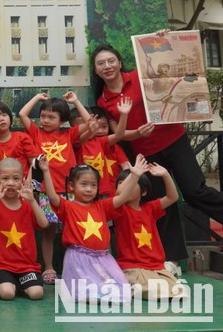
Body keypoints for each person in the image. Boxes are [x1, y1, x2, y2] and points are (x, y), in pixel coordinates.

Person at [92, 43, 223, 266]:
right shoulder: (102, 100)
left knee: (194, 191)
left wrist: (164, 40)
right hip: (146, 152)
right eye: (101, 63)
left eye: (111, 60)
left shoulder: (138, 75)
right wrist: (137, 132)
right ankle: (171, 259)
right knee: (163, 204)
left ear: (120, 62)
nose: (107, 66)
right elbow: (118, 133)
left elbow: (170, 67)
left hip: (174, 139)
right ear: (96, 70)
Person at [41, 155, 147, 303]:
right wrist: (46, 171)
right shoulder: (68, 206)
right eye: (83, 184)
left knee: (121, 293)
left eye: (93, 185)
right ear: (71, 186)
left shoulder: (102, 206)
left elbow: (122, 197)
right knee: (87, 293)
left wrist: (135, 175)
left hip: (103, 259)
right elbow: (52, 196)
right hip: (78, 259)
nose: (89, 189)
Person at [18, 92, 92, 285]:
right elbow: (22, 115)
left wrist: (75, 101)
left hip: (69, 192)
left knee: (74, 230)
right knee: (48, 230)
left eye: (52, 117)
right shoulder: (36, 133)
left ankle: (77, 268)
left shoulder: (69, 134)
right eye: (43, 116)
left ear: (63, 120)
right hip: (45, 191)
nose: (46, 120)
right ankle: (49, 267)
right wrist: (36, 98)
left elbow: (89, 122)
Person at [0, 158, 49, 302]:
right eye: (5, 178)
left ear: (23, 181)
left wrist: (32, 201)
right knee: (7, 294)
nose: (11, 182)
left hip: (27, 266)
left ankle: (18, 283)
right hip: (2, 266)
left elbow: (44, 224)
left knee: (37, 294)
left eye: (16, 178)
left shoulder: (28, 204)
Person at [113, 165, 182, 300]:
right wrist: (134, 175)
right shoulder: (120, 209)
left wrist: (166, 174)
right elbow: (119, 194)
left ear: (143, 192)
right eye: (121, 183)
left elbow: (173, 197)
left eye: (132, 182)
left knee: (179, 291)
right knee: (146, 288)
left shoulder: (150, 208)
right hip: (132, 267)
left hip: (156, 267)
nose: (126, 186)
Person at [0, 101, 40, 174]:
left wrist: (29, 182)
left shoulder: (22, 137)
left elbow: (34, 164)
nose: (2, 119)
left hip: (25, 184)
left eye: (4, 115)